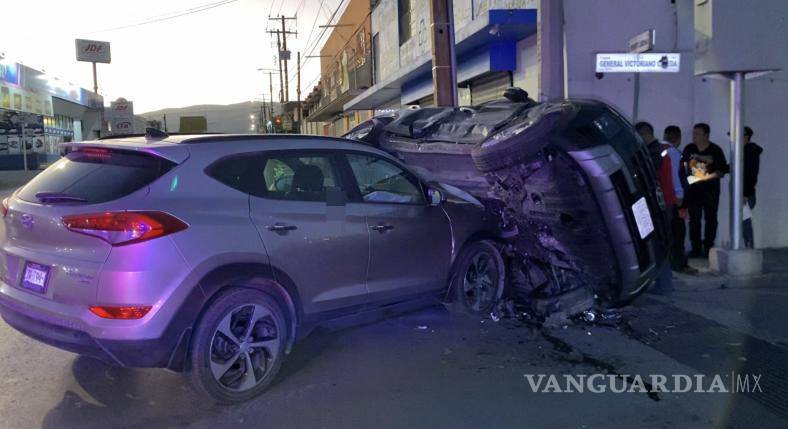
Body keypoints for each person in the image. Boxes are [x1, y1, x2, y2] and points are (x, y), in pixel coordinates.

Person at [635, 121, 676, 294]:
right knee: (659, 243)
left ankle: (664, 285)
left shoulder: (655, 153)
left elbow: (648, 176)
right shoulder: (658, 150)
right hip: (663, 203)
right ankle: (662, 284)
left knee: (658, 243)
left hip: (661, 204)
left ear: (644, 134)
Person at [683, 123, 729, 258]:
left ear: (706, 135)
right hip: (693, 191)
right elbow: (684, 167)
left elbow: (722, 171)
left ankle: (709, 246)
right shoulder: (689, 148)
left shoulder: (715, 150)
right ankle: (695, 248)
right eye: (693, 133)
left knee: (711, 218)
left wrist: (706, 177)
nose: (694, 136)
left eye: (697, 134)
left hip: (711, 191)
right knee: (694, 219)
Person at [663, 125, 696, 273]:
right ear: (678, 138)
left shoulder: (659, 150)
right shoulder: (675, 153)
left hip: (664, 198)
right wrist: (680, 196)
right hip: (676, 199)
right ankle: (679, 264)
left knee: (669, 232)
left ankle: (669, 264)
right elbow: (676, 176)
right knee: (678, 231)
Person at [742, 126, 763, 248]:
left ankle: (749, 248)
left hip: (746, 194)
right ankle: (748, 247)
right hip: (745, 193)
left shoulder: (750, 152)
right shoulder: (744, 151)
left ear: (746, 137)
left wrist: (745, 193)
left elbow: (751, 174)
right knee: (744, 221)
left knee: (745, 222)